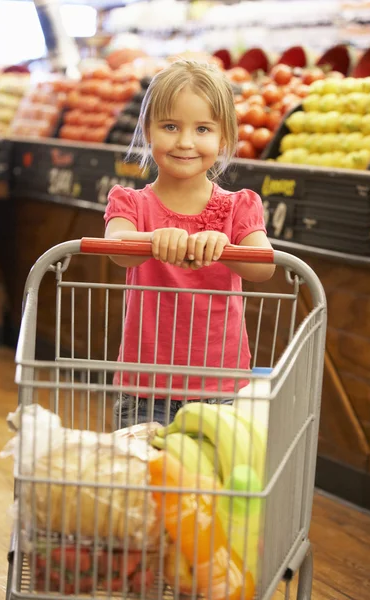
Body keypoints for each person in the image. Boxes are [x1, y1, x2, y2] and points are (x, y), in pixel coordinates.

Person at [103, 59, 275, 429]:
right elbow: (115, 246)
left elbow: (264, 266)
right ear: (148, 131)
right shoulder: (130, 204)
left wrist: (226, 245)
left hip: (220, 387)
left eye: (202, 129)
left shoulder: (239, 206)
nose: (185, 142)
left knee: (208, 485)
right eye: (170, 126)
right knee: (143, 484)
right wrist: (152, 240)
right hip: (145, 387)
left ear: (224, 138)